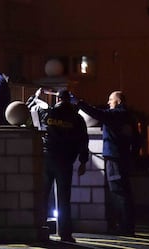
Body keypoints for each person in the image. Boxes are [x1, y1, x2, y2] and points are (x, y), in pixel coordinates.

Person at [74, 91, 136, 235]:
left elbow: (98, 114)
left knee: (118, 192)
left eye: (111, 100)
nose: (108, 102)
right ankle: (126, 226)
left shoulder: (117, 115)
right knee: (123, 192)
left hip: (115, 158)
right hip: (121, 157)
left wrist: (79, 103)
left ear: (119, 101)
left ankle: (125, 227)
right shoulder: (126, 116)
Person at [40, 89, 89, 243]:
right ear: (69, 100)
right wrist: (83, 161)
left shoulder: (48, 114)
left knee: (42, 196)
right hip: (65, 161)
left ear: (58, 99)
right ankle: (65, 233)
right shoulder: (77, 118)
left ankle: (40, 228)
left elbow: (35, 126)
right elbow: (83, 141)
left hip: (46, 158)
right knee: (64, 198)